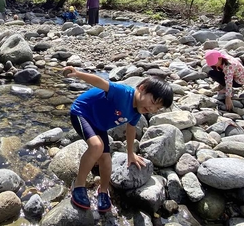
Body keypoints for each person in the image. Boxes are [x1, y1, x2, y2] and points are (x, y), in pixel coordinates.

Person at [64, 66, 174, 213]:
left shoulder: (137, 111)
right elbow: (100, 82)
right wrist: (77, 74)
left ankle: (103, 191)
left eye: (158, 108)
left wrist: (130, 154)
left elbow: (131, 129)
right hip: (82, 112)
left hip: (99, 124)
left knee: (106, 159)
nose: (153, 109)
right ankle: (78, 185)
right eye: (153, 102)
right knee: (97, 146)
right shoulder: (123, 93)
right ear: (141, 88)